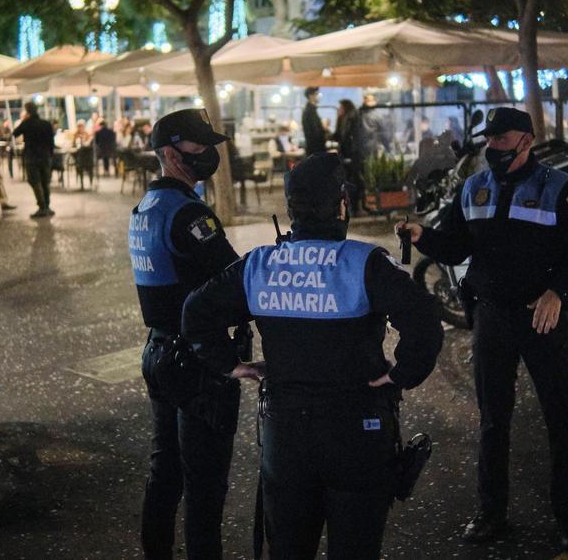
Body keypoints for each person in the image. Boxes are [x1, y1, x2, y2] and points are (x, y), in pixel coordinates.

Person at [182, 152, 444, 559]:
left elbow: (195, 313)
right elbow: (424, 319)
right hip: (357, 432)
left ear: (291, 209)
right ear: (341, 204)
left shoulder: (258, 266)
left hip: (285, 435)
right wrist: (401, 374)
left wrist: (235, 366)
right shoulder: (365, 262)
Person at [396, 107, 568, 551]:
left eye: (502, 140)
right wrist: (421, 236)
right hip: (491, 317)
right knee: (492, 421)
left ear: (526, 141)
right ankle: (491, 514)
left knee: (559, 420)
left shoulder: (562, 190)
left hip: (541, 318)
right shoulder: (473, 187)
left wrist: (557, 293)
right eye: (489, 140)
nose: (493, 148)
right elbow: (453, 246)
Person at [128, 109, 241, 560]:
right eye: (200, 148)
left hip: (159, 351)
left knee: (166, 473)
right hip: (197, 363)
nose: (209, 155)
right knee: (204, 486)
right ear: (172, 155)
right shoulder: (188, 213)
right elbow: (234, 279)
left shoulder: (145, 208)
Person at [12, 102, 55, 218]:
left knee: (35, 181)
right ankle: (47, 206)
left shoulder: (26, 123)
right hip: (45, 156)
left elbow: (15, 133)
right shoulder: (46, 124)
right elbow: (52, 142)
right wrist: (50, 155)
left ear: (27, 111)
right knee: (45, 181)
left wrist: (24, 120)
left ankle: (42, 207)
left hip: (31, 157)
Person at [300, 86, 326, 155]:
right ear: (311, 96)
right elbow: (315, 132)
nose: (319, 96)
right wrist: (323, 129)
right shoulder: (309, 111)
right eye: (317, 94)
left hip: (314, 148)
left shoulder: (311, 110)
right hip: (315, 149)